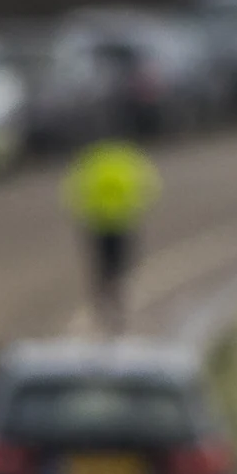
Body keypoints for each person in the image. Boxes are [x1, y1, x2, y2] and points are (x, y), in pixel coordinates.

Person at [65, 114, 161, 335]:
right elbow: (149, 187)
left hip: (98, 223)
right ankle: (115, 302)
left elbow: (74, 192)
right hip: (122, 221)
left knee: (103, 267)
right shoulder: (127, 159)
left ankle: (105, 302)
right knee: (122, 266)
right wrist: (137, 207)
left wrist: (84, 214)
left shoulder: (91, 160)